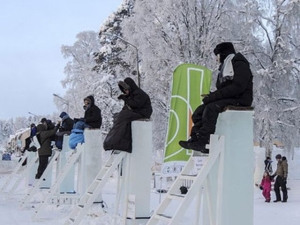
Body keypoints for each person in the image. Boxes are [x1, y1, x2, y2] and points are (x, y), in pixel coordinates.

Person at [179, 42, 253, 153]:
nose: (216, 59)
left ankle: (205, 140)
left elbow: (238, 87)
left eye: (217, 56)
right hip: (232, 97)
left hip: (241, 99)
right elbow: (224, 89)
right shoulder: (226, 67)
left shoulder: (239, 63)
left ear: (223, 54)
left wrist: (214, 97)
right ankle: (196, 138)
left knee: (211, 108)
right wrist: (213, 96)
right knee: (199, 111)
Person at [103, 77, 153, 153]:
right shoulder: (132, 95)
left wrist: (125, 99)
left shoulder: (139, 93)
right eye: (124, 91)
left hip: (143, 113)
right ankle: (116, 141)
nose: (125, 92)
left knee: (123, 115)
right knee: (118, 116)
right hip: (137, 112)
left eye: (126, 90)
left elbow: (136, 104)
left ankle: (116, 141)